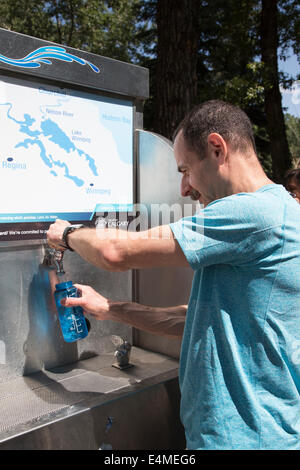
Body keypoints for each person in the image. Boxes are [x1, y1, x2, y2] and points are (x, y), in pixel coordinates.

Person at [47, 100, 300, 450]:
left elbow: (114, 252)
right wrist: (110, 308)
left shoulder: (252, 213)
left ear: (217, 148)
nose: (183, 188)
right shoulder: (282, 209)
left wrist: (66, 235)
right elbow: (193, 322)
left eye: (185, 169)